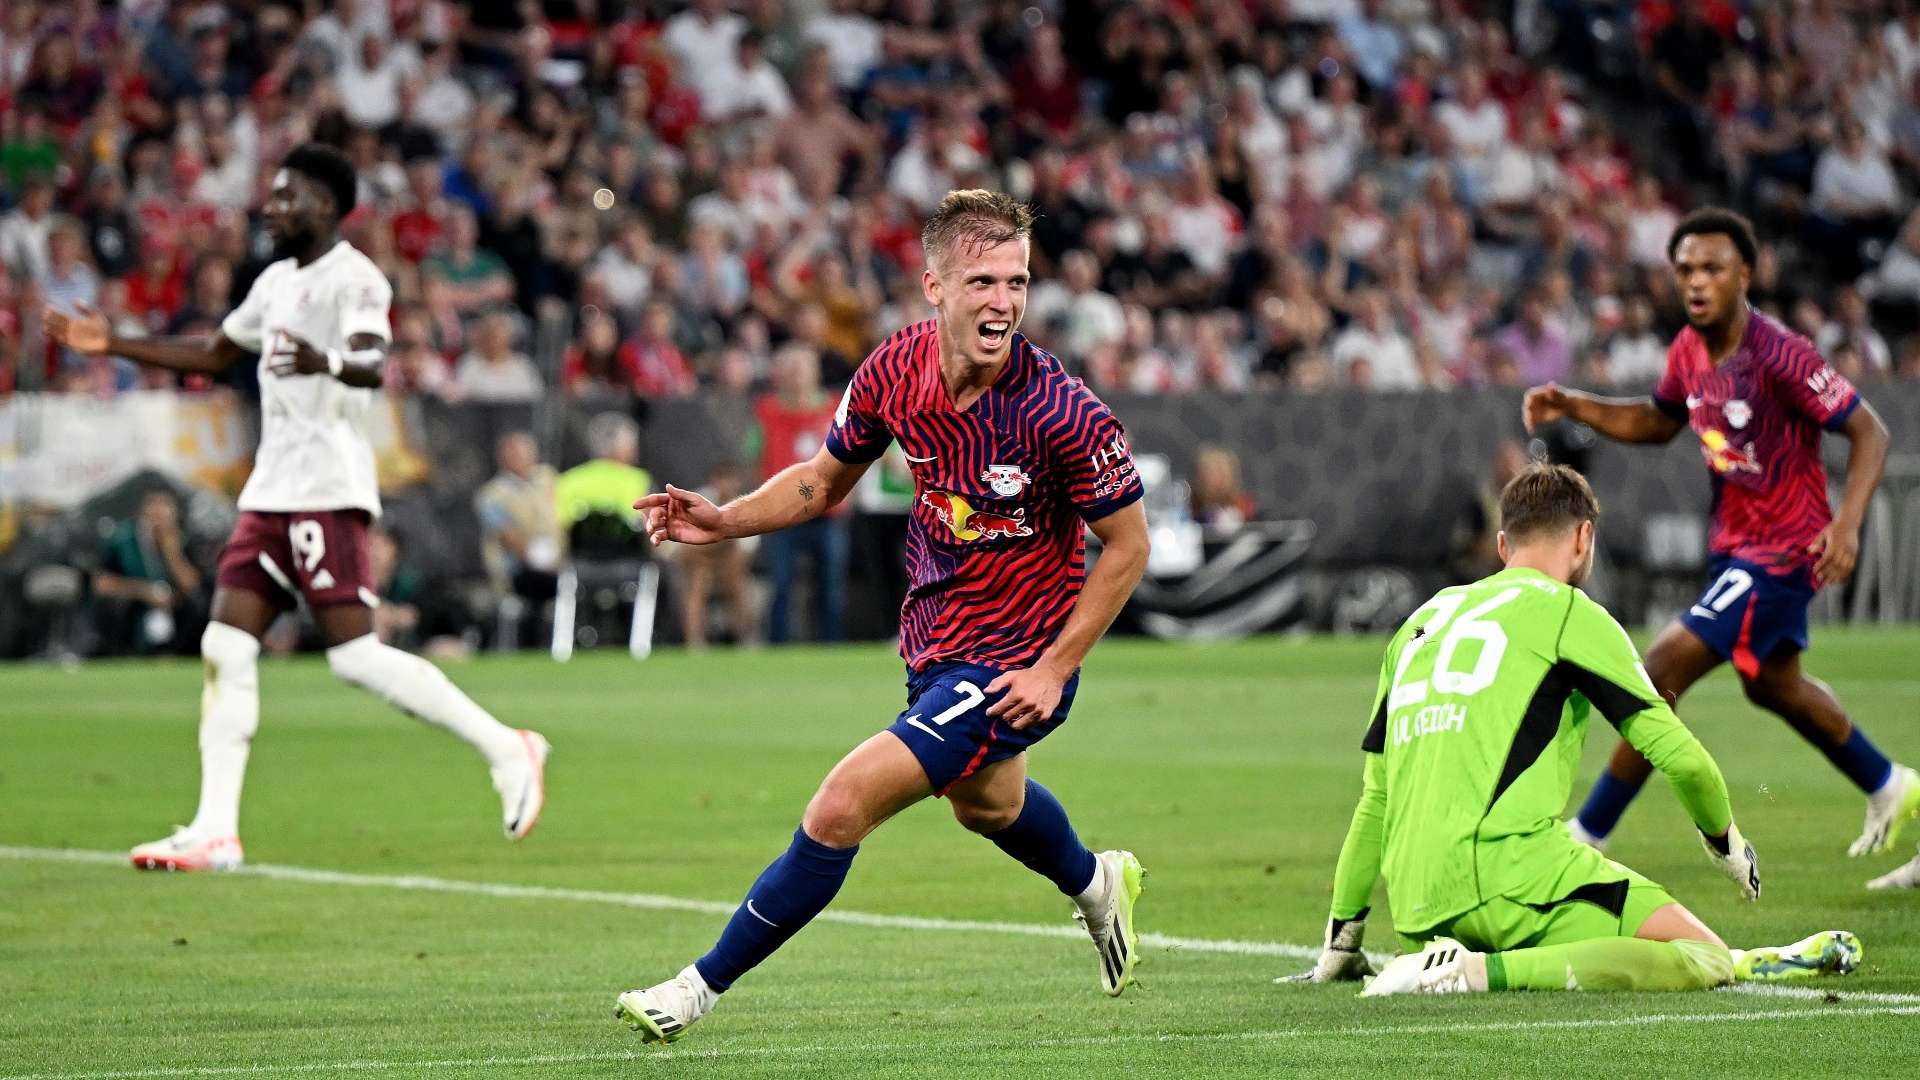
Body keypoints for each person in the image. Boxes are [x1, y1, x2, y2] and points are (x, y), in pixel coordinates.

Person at [618, 190, 1152, 1042]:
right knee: (985, 804)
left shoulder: (1063, 410)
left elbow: (1126, 547)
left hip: (1018, 657)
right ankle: (1096, 884)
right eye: (983, 281)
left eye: (1016, 282)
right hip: (936, 640)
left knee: (840, 805)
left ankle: (692, 990)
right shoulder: (893, 369)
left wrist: (1053, 670)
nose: (1004, 302)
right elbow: (821, 483)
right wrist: (724, 518)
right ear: (934, 285)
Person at [43, 144, 549, 873]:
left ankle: (508, 747)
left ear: (326, 206)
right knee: (225, 646)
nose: (272, 209)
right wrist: (113, 342)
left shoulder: (356, 281)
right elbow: (217, 354)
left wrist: (325, 361)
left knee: (354, 656)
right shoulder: (275, 281)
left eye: (287, 197)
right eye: (272, 197)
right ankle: (216, 829)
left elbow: (375, 363)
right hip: (271, 492)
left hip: (325, 491)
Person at [1289, 463, 1860, 996]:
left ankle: (1749, 958)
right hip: (1513, 878)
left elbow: (1376, 801)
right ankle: (1477, 969)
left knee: (1669, 945)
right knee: (1697, 954)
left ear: (1502, 545)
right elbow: (1680, 759)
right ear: (1584, 539)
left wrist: (1342, 940)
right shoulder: (1570, 612)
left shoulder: (1420, 620)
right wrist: (1726, 844)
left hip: (1419, 904)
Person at [1521, 208, 1909, 878]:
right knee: (1774, 687)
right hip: (1737, 548)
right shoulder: (1688, 351)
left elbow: (1869, 430)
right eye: (1686, 270)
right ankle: (1890, 785)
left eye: (1712, 269)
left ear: (1746, 275)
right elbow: (1656, 419)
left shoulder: (1780, 353)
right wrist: (1577, 404)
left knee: (1660, 670)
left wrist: (1845, 525)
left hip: (1784, 549)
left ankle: (1588, 834)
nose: (1697, 282)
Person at [751, 343, 850, 643]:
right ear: (778, 374)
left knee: (831, 585)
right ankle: (777, 645)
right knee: (779, 583)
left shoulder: (836, 407)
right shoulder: (766, 411)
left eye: (801, 368)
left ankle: (830, 645)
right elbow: (753, 454)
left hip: (827, 512)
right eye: (790, 369)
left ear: (815, 372)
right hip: (782, 512)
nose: (796, 376)